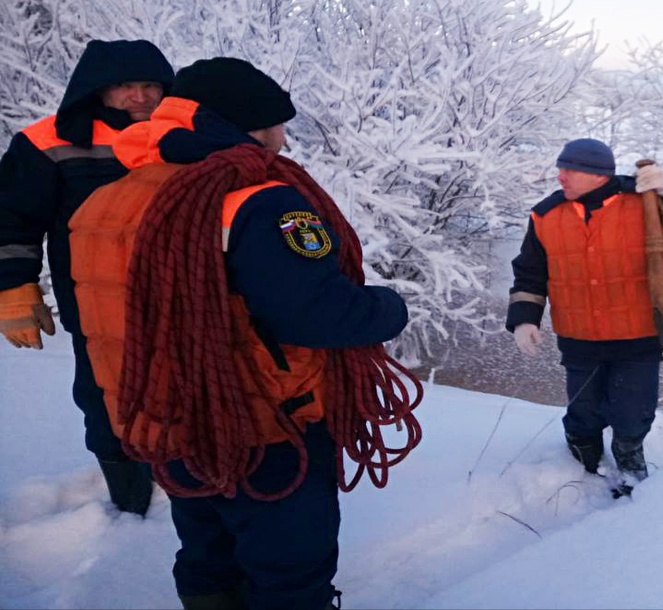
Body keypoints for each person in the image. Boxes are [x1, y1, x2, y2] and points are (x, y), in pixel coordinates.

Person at [68, 57, 421, 609]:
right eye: (279, 124)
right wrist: (387, 308)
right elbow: (317, 313)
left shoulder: (106, 199)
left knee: (208, 554)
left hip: (169, 423)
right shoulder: (259, 199)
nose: (283, 140)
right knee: (288, 572)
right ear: (253, 124)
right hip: (261, 427)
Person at [0, 38, 174, 515]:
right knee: (105, 402)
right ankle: (134, 504)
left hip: (181, 305)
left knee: (185, 396)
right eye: (124, 87)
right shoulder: (48, 142)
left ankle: (184, 491)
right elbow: (12, 219)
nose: (139, 97)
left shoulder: (184, 137)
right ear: (97, 90)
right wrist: (14, 288)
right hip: (96, 309)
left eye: (149, 85)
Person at [506, 138, 663, 489]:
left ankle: (628, 454)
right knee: (583, 411)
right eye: (560, 169)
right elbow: (529, 272)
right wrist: (524, 319)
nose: (560, 177)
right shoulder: (545, 215)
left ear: (597, 174)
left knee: (633, 411)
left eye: (569, 170)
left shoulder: (647, 204)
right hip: (579, 337)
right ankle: (581, 459)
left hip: (638, 334)